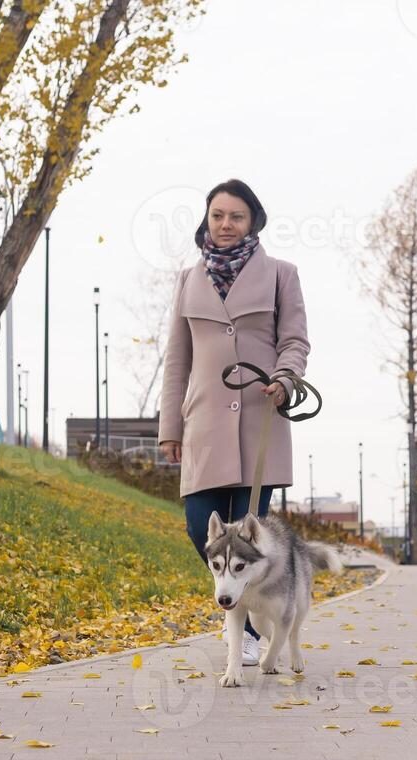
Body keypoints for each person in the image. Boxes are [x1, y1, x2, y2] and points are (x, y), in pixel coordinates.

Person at [158, 178, 312, 667]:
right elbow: (176, 360)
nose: (225, 225)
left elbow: (295, 341)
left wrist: (286, 378)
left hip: (259, 419)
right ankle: (247, 623)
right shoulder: (188, 279)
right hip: (202, 422)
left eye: (236, 217)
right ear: (207, 220)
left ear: (253, 222)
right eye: (218, 215)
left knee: (247, 533)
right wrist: (169, 427)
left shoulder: (281, 274)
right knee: (197, 523)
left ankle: (247, 631)